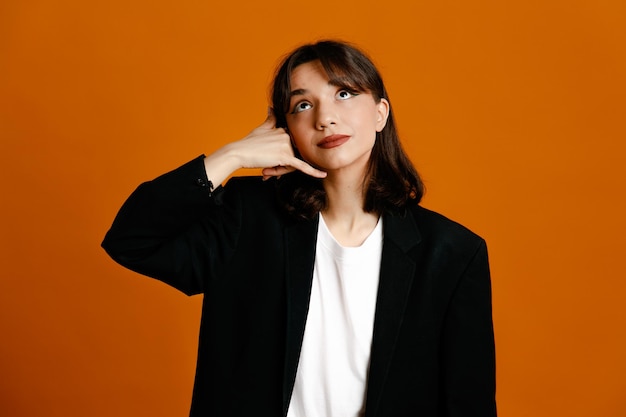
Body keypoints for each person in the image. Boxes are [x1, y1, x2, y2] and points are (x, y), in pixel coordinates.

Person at [102, 40, 496, 417]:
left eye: (344, 93)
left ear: (380, 113)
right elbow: (131, 239)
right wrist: (232, 155)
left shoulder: (452, 254)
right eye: (303, 104)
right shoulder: (248, 219)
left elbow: (468, 405)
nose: (324, 117)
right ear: (286, 129)